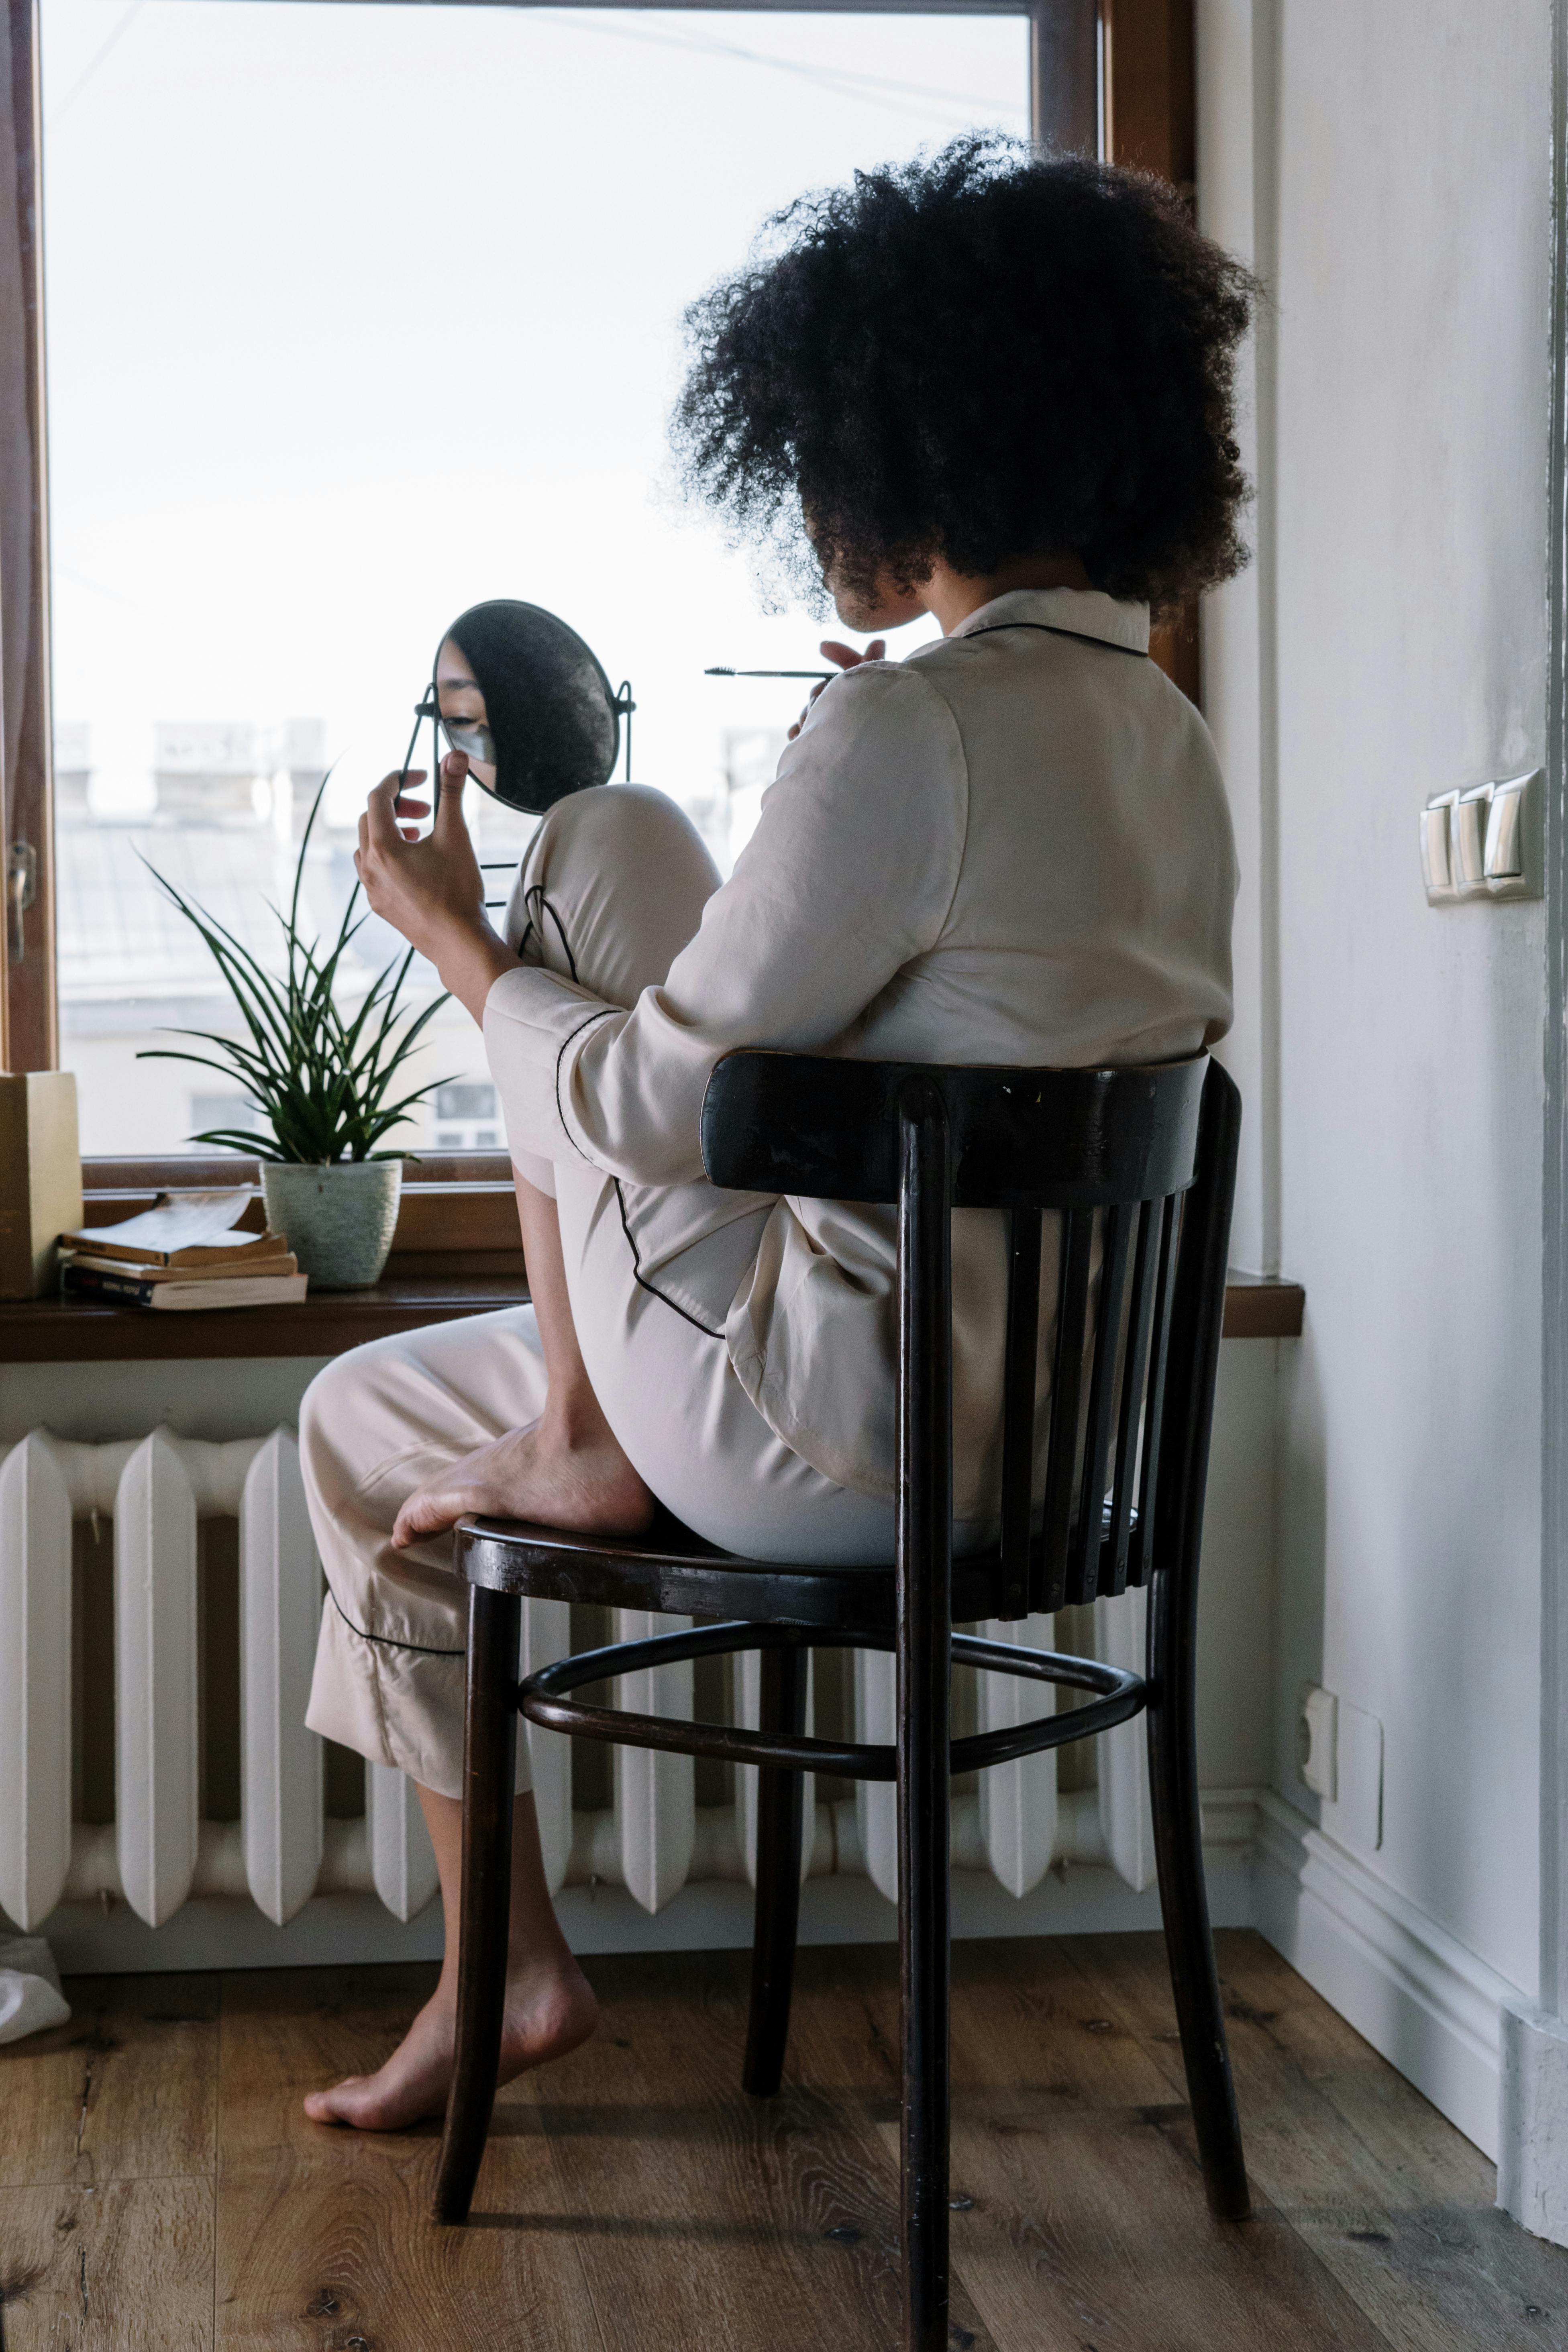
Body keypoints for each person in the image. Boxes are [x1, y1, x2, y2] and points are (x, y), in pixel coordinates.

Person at [299, 137, 1254, 2130]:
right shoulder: (1158, 736)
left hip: (833, 1449)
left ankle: (575, 1450)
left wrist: (461, 942)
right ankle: (512, 1973)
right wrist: (874, 750)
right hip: (1058, 1455)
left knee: (614, 837)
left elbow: (657, 1101)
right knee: (363, 1420)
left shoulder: (909, 733)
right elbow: (923, 1049)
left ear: (911, 440)